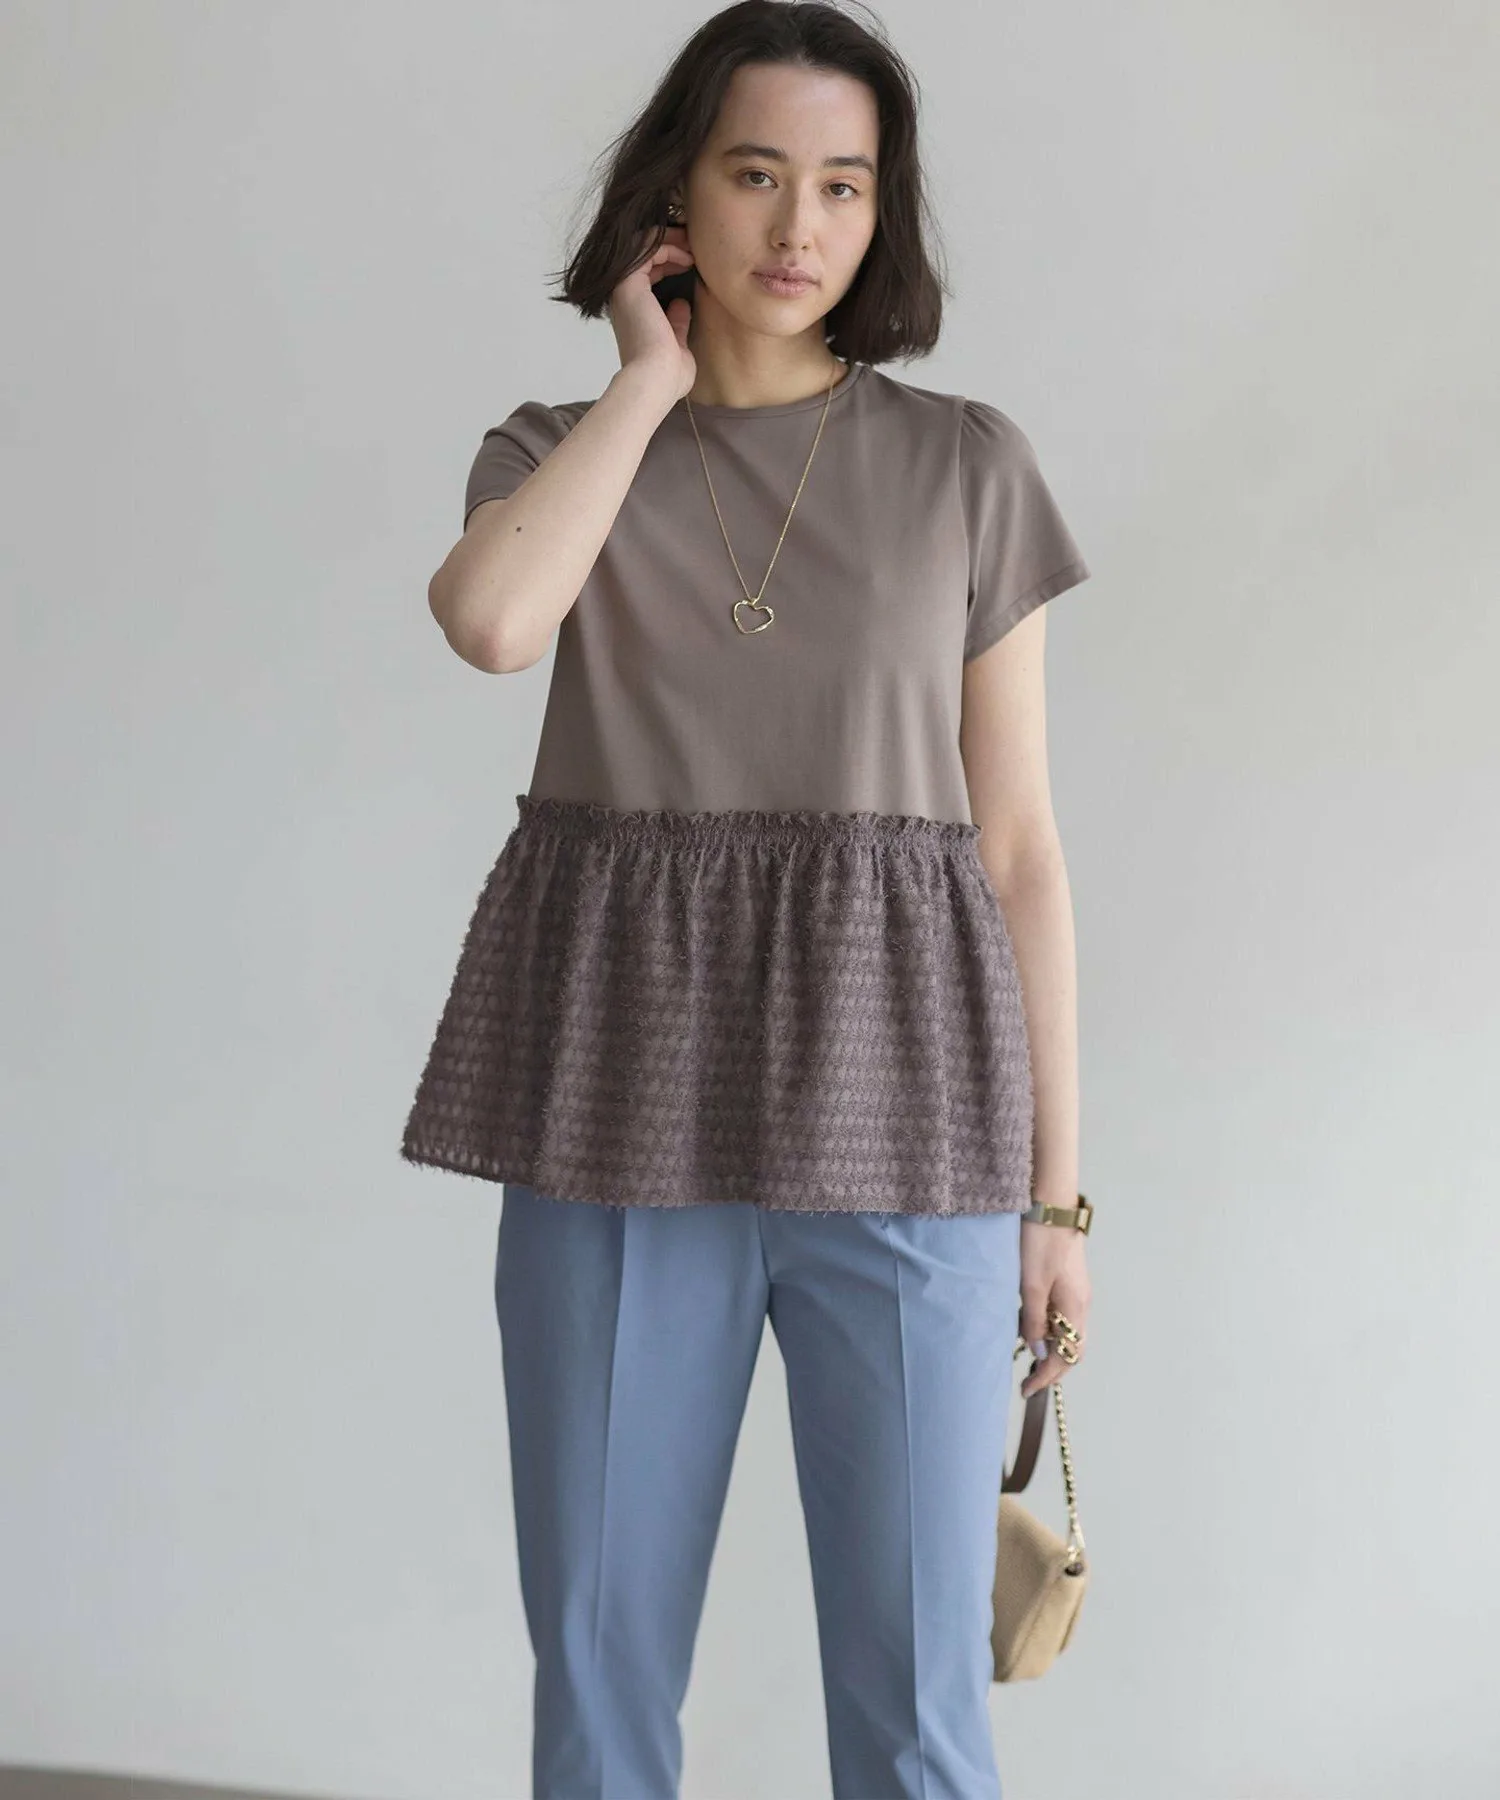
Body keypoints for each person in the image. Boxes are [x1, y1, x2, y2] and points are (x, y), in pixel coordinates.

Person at [401, 4, 1093, 1795]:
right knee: (600, 1668)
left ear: (883, 213)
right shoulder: (558, 446)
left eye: (844, 185)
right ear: (675, 198)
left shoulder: (965, 463)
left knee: (922, 1697)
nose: (801, 226)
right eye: (758, 174)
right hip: (616, 1102)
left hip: (910, 1110)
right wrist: (646, 379)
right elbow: (493, 627)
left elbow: (1017, 845)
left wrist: (1058, 1195)